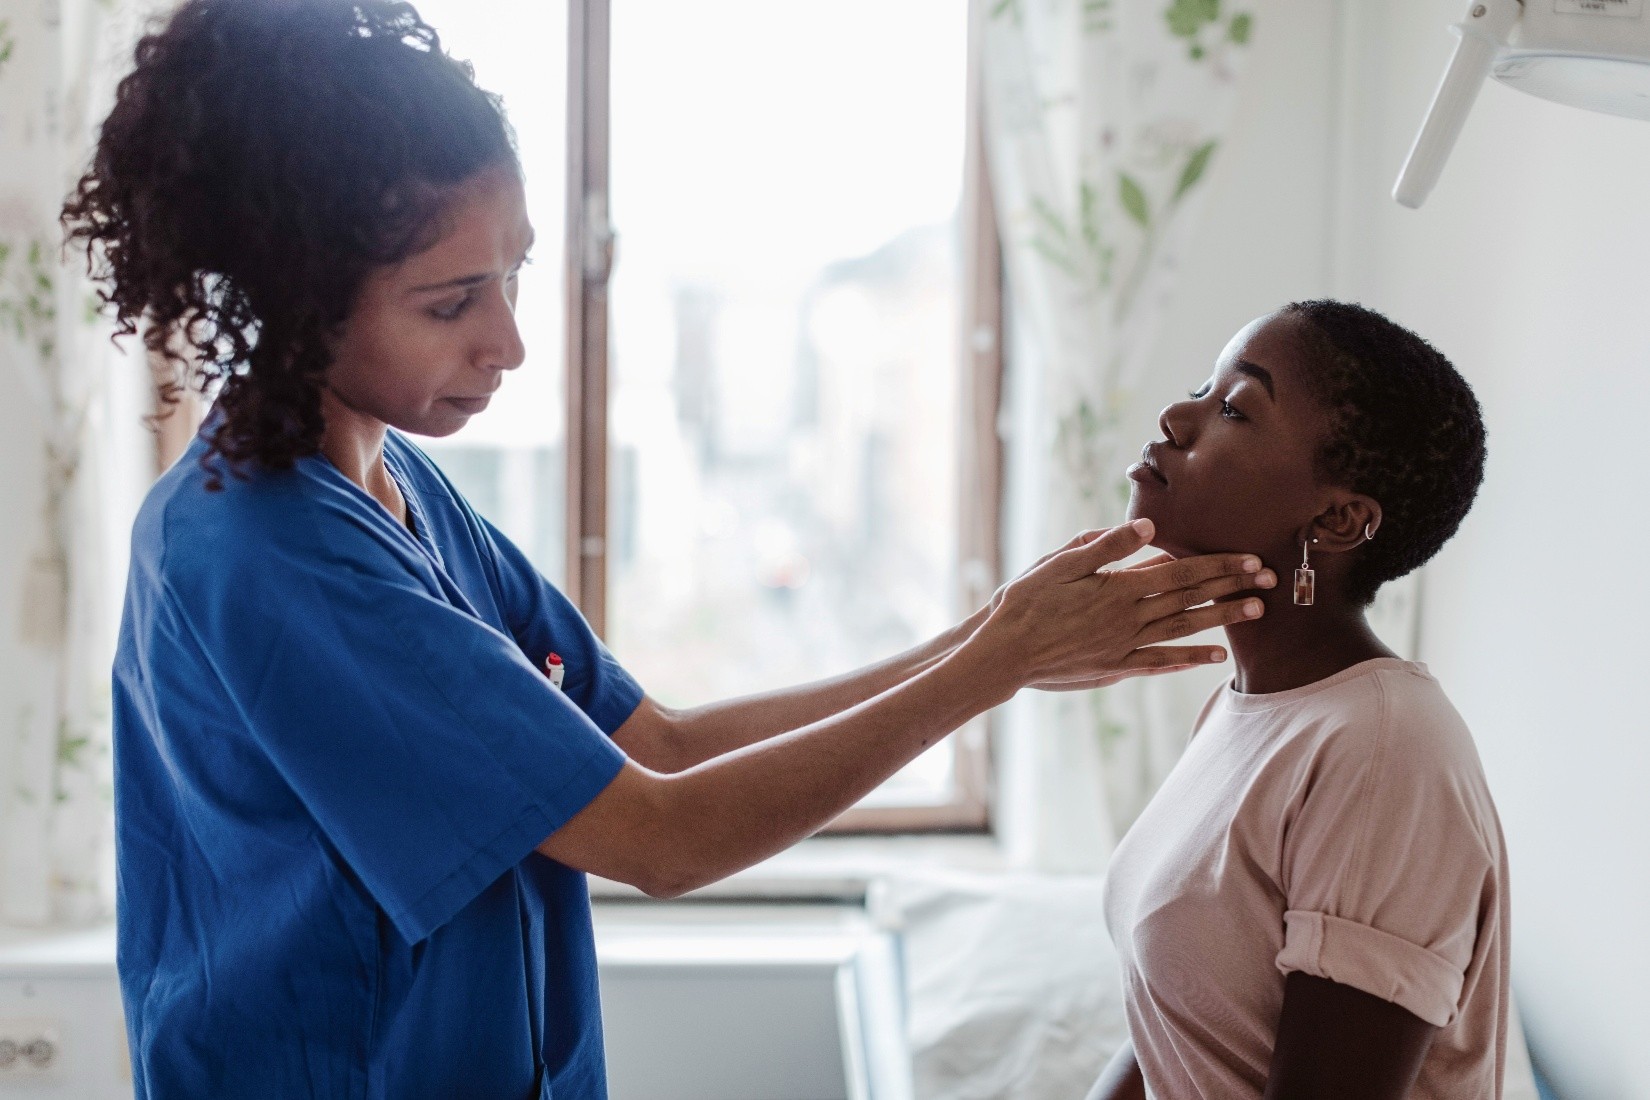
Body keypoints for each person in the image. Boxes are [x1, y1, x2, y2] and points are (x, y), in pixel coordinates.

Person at [64, 2, 1275, 1096]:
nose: (510, 343)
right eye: (451, 302)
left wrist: (990, 640)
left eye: (516, 275)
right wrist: (988, 667)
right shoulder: (263, 552)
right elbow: (663, 832)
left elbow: (660, 741)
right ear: (295, 292)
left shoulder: (398, 485)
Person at [1088, 301, 1507, 1100]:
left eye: (1235, 409)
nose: (1177, 418)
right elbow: (1171, 1031)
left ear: (1339, 519)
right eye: (1199, 391)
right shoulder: (1242, 708)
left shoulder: (1387, 750)